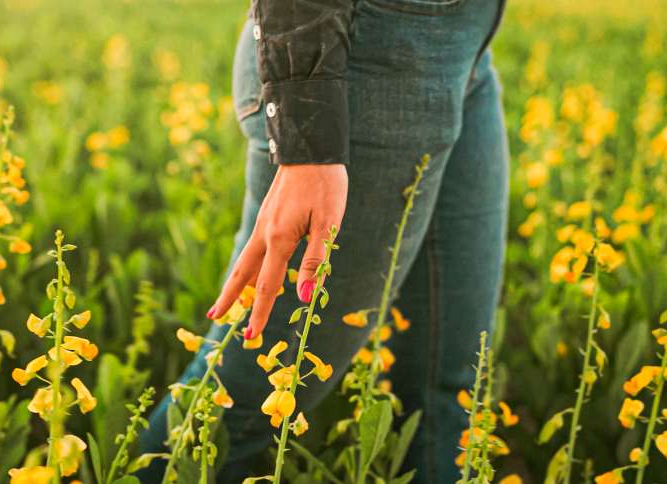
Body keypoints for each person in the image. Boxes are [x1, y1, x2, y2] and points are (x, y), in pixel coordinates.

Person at [139, 0, 508, 481]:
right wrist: (306, 139)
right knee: (234, 410)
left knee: (449, 394)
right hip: (357, 64)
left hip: (468, 49)